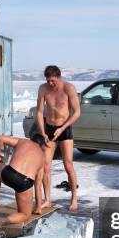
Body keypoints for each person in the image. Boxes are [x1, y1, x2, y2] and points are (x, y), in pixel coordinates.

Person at [36, 65, 81, 211]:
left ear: (59, 77)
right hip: (49, 129)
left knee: (68, 165)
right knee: (45, 165)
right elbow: (39, 111)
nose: (50, 84)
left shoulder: (69, 88)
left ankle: (74, 199)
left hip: (64, 128)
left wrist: (62, 128)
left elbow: (77, 113)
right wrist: (43, 132)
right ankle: (47, 200)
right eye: (48, 81)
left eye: (53, 81)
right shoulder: (43, 89)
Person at [0, 134, 47, 232]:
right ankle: (3, 221)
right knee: (25, 215)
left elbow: (0, 138)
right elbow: (37, 186)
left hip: (10, 174)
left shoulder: (23, 141)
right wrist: (38, 207)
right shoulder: (42, 158)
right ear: (42, 145)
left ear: (31, 139)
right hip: (26, 183)